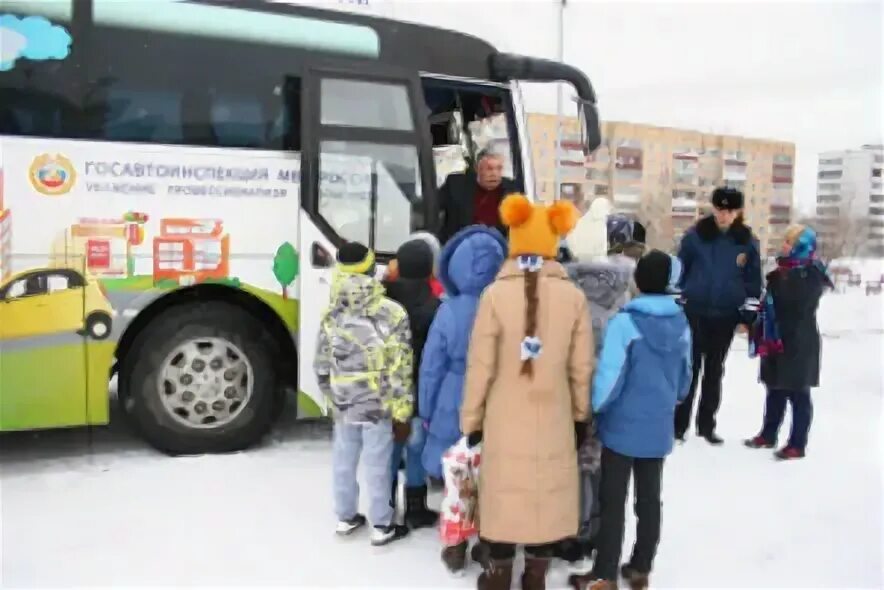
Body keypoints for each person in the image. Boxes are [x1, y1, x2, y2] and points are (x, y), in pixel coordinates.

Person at [461, 194, 594, 590]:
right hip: (555, 414)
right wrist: (580, 415)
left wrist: (471, 418)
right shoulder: (573, 297)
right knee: (547, 494)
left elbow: (480, 367)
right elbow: (581, 366)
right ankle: (536, 574)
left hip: (503, 415)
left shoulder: (494, 295)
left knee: (504, 490)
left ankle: (499, 571)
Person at [569, 250, 692, 590]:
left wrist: (594, 408)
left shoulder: (625, 323)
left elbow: (610, 378)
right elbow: (685, 377)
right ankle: (641, 567)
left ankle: (603, 573)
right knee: (650, 499)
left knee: (613, 501)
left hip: (622, 428)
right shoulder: (682, 322)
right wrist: (672, 401)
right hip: (658, 426)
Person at [418, 225, 507, 572]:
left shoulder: (449, 310)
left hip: (451, 398)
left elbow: (431, 367)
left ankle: (454, 544)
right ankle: (487, 541)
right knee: (490, 475)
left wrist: (426, 408)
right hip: (493, 399)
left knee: (456, 476)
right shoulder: (505, 307)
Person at [313, 242, 412, 546]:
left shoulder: (331, 312)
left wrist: (332, 394)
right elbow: (400, 365)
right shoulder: (391, 312)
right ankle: (381, 524)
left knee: (343, 458)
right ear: (372, 268)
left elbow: (321, 361)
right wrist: (402, 410)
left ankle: (346, 516)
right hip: (377, 402)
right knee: (377, 462)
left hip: (345, 398)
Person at [557, 201, 636, 569]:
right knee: (599, 463)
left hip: (573, 391)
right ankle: (596, 528)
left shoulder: (566, 292)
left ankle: (575, 532)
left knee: (575, 464)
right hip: (612, 393)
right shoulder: (623, 288)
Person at [674, 187, 761, 444]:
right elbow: (680, 271)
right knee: (690, 370)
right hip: (695, 312)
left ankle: (706, 426)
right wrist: (679, 301)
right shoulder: (695, 237)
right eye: (720, 210)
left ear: (738, 212)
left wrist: (747, 314)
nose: (724, 215)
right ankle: (679, 426)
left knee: (714, 371)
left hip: (725, 315)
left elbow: (753, 280)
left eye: (730, 211)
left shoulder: (746, 241)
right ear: (713, 209)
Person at [744, 225, 831, 460]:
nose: (784, 246)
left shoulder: (811, 274)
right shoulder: (783, 270)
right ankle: (768, 433)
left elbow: (797, 303)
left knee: (798, 393)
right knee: (774, 388)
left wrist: (780, 279)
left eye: (789, 243)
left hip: (799, 341)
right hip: (776, 337)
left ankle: (797, 443)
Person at [383, 238, 441, 528]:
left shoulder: (383, 301)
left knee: (391, 451)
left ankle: (387, 503)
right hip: (418, 392)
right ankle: (416, 507)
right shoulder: (434, 307)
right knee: (416, 448)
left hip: (389, 392)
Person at [438, 150, 519, 243]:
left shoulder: (511, 190)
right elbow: (432, 208)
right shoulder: (455, 185)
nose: (494, 174)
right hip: (460, 244)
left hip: (497, 246)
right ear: (477, 169)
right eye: (489, 169)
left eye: (499, 169)